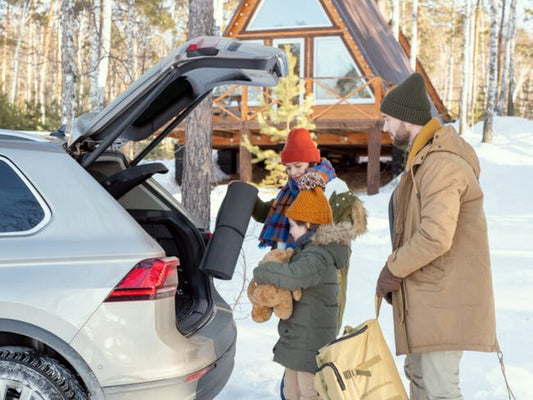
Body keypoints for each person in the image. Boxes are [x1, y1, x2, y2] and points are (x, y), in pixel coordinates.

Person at [375, 72, 499, 400]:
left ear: (406, 118)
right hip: (426, 298)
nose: (384, 128)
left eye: (387, 119)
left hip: (443, 300)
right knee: (420, 380)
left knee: (440, 390)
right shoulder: (424, 160)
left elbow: (435, 236)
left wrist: (393, 269)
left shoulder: (442, 164)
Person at [253, 172, 357, 400]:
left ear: (309, 225)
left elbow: (293, 277)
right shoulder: (307, 250)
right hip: (300, 335)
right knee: (291, 390)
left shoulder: (318, 256)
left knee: (308, 392)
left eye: (293, 225)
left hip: (311, 338)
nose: (289, 231)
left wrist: (262, 271)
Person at [252, 127, 367, 330]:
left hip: (321, 275)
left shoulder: (334, 189)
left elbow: (338, 237)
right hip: (294, 271)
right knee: (296, 333)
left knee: (318, 334)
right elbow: (268, 213)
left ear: (312, 162)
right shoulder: (291, 191)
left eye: (298, 166)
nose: (293, 173)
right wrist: (246, 196)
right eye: (288, 168)